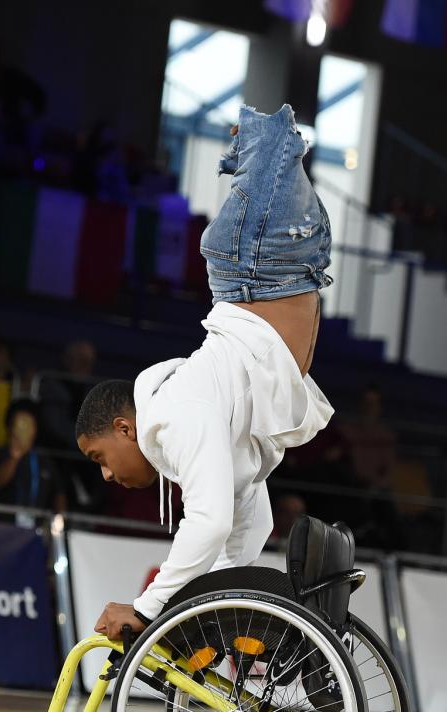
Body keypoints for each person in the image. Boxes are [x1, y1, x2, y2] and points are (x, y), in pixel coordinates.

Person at [76, 104, 334, 640]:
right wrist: (212, 607)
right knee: (273, 141)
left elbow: (209, 522)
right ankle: (251, 141)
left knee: (273, 133)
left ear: (125, 428)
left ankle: (253, 136)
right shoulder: (206, 421)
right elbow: (247, 526)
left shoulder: (172, 417)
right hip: (280, 262)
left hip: (258, 264)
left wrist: (146, 607)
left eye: (99, 457)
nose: (105, 475)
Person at [0, 399, 67, 512]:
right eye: (20, 426)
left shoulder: (44, 460)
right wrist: (14, 457)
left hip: (34, 525)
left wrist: (59, 516)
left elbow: (59, 493)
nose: (24, 431)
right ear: (10, 428)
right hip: (4, 524)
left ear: (35, 430)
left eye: (29, 426)